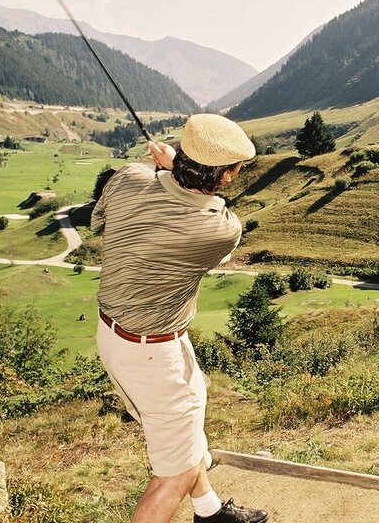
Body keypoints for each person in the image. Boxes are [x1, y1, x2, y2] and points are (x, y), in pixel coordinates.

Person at [92, 114, 268, 523]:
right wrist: (174, 169)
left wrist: (163, 170)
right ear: (225, 176)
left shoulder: (129, 177)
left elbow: (101, 221)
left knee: (186, 433)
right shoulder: (219, 228)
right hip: (153, 353)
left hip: (116, 335)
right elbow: (212, 240)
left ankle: (209, 513)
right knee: (177, 470)